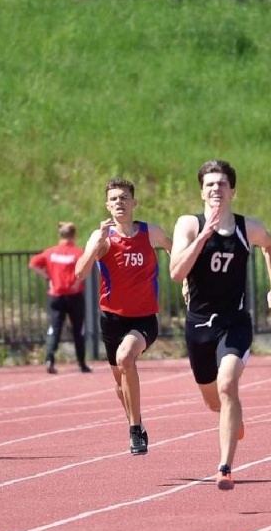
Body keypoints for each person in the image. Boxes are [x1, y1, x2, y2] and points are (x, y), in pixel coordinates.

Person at [169, 159, 271, 490]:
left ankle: (225, 467)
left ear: (232, 190)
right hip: (198, 326)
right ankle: (232, 418)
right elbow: (176, 273)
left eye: (221, 184)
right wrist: (203, 237)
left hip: (235, 322)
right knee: (212, 400)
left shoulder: (247, 228)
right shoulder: (188, 225)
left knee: (227, 385)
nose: (215, 189)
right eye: (209, 184)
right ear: (201, 191)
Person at [74, 179, 172, 455]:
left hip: (144, 318)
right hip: (112, 320)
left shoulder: (150, 232)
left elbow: (173, 249)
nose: (120, 202)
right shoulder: (101, 237)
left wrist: (187, 280)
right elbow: (79, 273)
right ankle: (136, 423)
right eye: (114, 198)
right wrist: (95, 248)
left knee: (126, 357)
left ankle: (134, 430)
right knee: (120, 386)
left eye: (125, 197)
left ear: (134, 203)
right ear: (107, 205)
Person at [29, 222, 90, 374]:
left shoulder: (50, 252)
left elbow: (33, 264)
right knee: (78, 329)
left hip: (55, 295)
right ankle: (82, 363)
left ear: (60, 235)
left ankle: (49, 358)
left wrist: (47, 277)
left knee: (54, 328)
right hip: (74, 295)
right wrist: (77, 282)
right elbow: (86, 267)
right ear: (74, 236)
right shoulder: (77, 253)